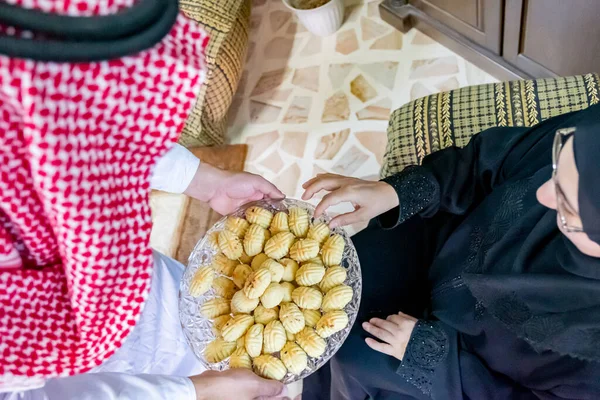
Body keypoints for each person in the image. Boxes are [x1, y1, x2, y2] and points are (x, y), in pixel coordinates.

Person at [0, 1, 288, 399]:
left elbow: (90, 132)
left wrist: (203, 181)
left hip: (132, 282)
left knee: (191, 311)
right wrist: (195, 392)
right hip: (100, 376)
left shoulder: (34, 101)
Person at [301, 104, 600, 399]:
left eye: (568, 209)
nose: (541, 193)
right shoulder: (591, 134)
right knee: (331, 283)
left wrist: (431, 357)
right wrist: (393, 192)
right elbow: (491, 160)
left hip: (464, 366)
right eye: (557, 165)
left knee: (352, 354)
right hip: (444, 242)